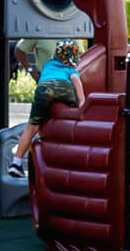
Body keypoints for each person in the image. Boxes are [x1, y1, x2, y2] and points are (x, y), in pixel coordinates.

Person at [8, 42, 85, 178]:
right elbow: (74, 79)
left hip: (43, 88)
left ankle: (16, 163)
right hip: (63, 87)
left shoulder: (48, 65)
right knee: (72, 109)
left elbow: (46, 77)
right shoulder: (71, 70)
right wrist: (82, 103)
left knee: (31, 127)